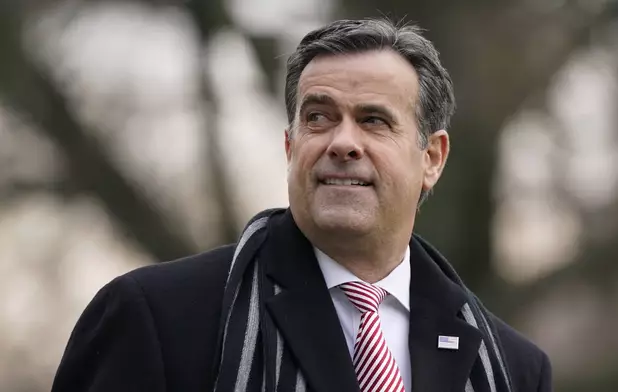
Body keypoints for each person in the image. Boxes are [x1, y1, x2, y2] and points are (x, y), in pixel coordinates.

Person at [52, 18, 552, 392]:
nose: (343, 142)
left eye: (374, 120)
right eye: (319, 117)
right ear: (291, 147)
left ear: (432, 157)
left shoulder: (513, 367)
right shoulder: (157, 319)